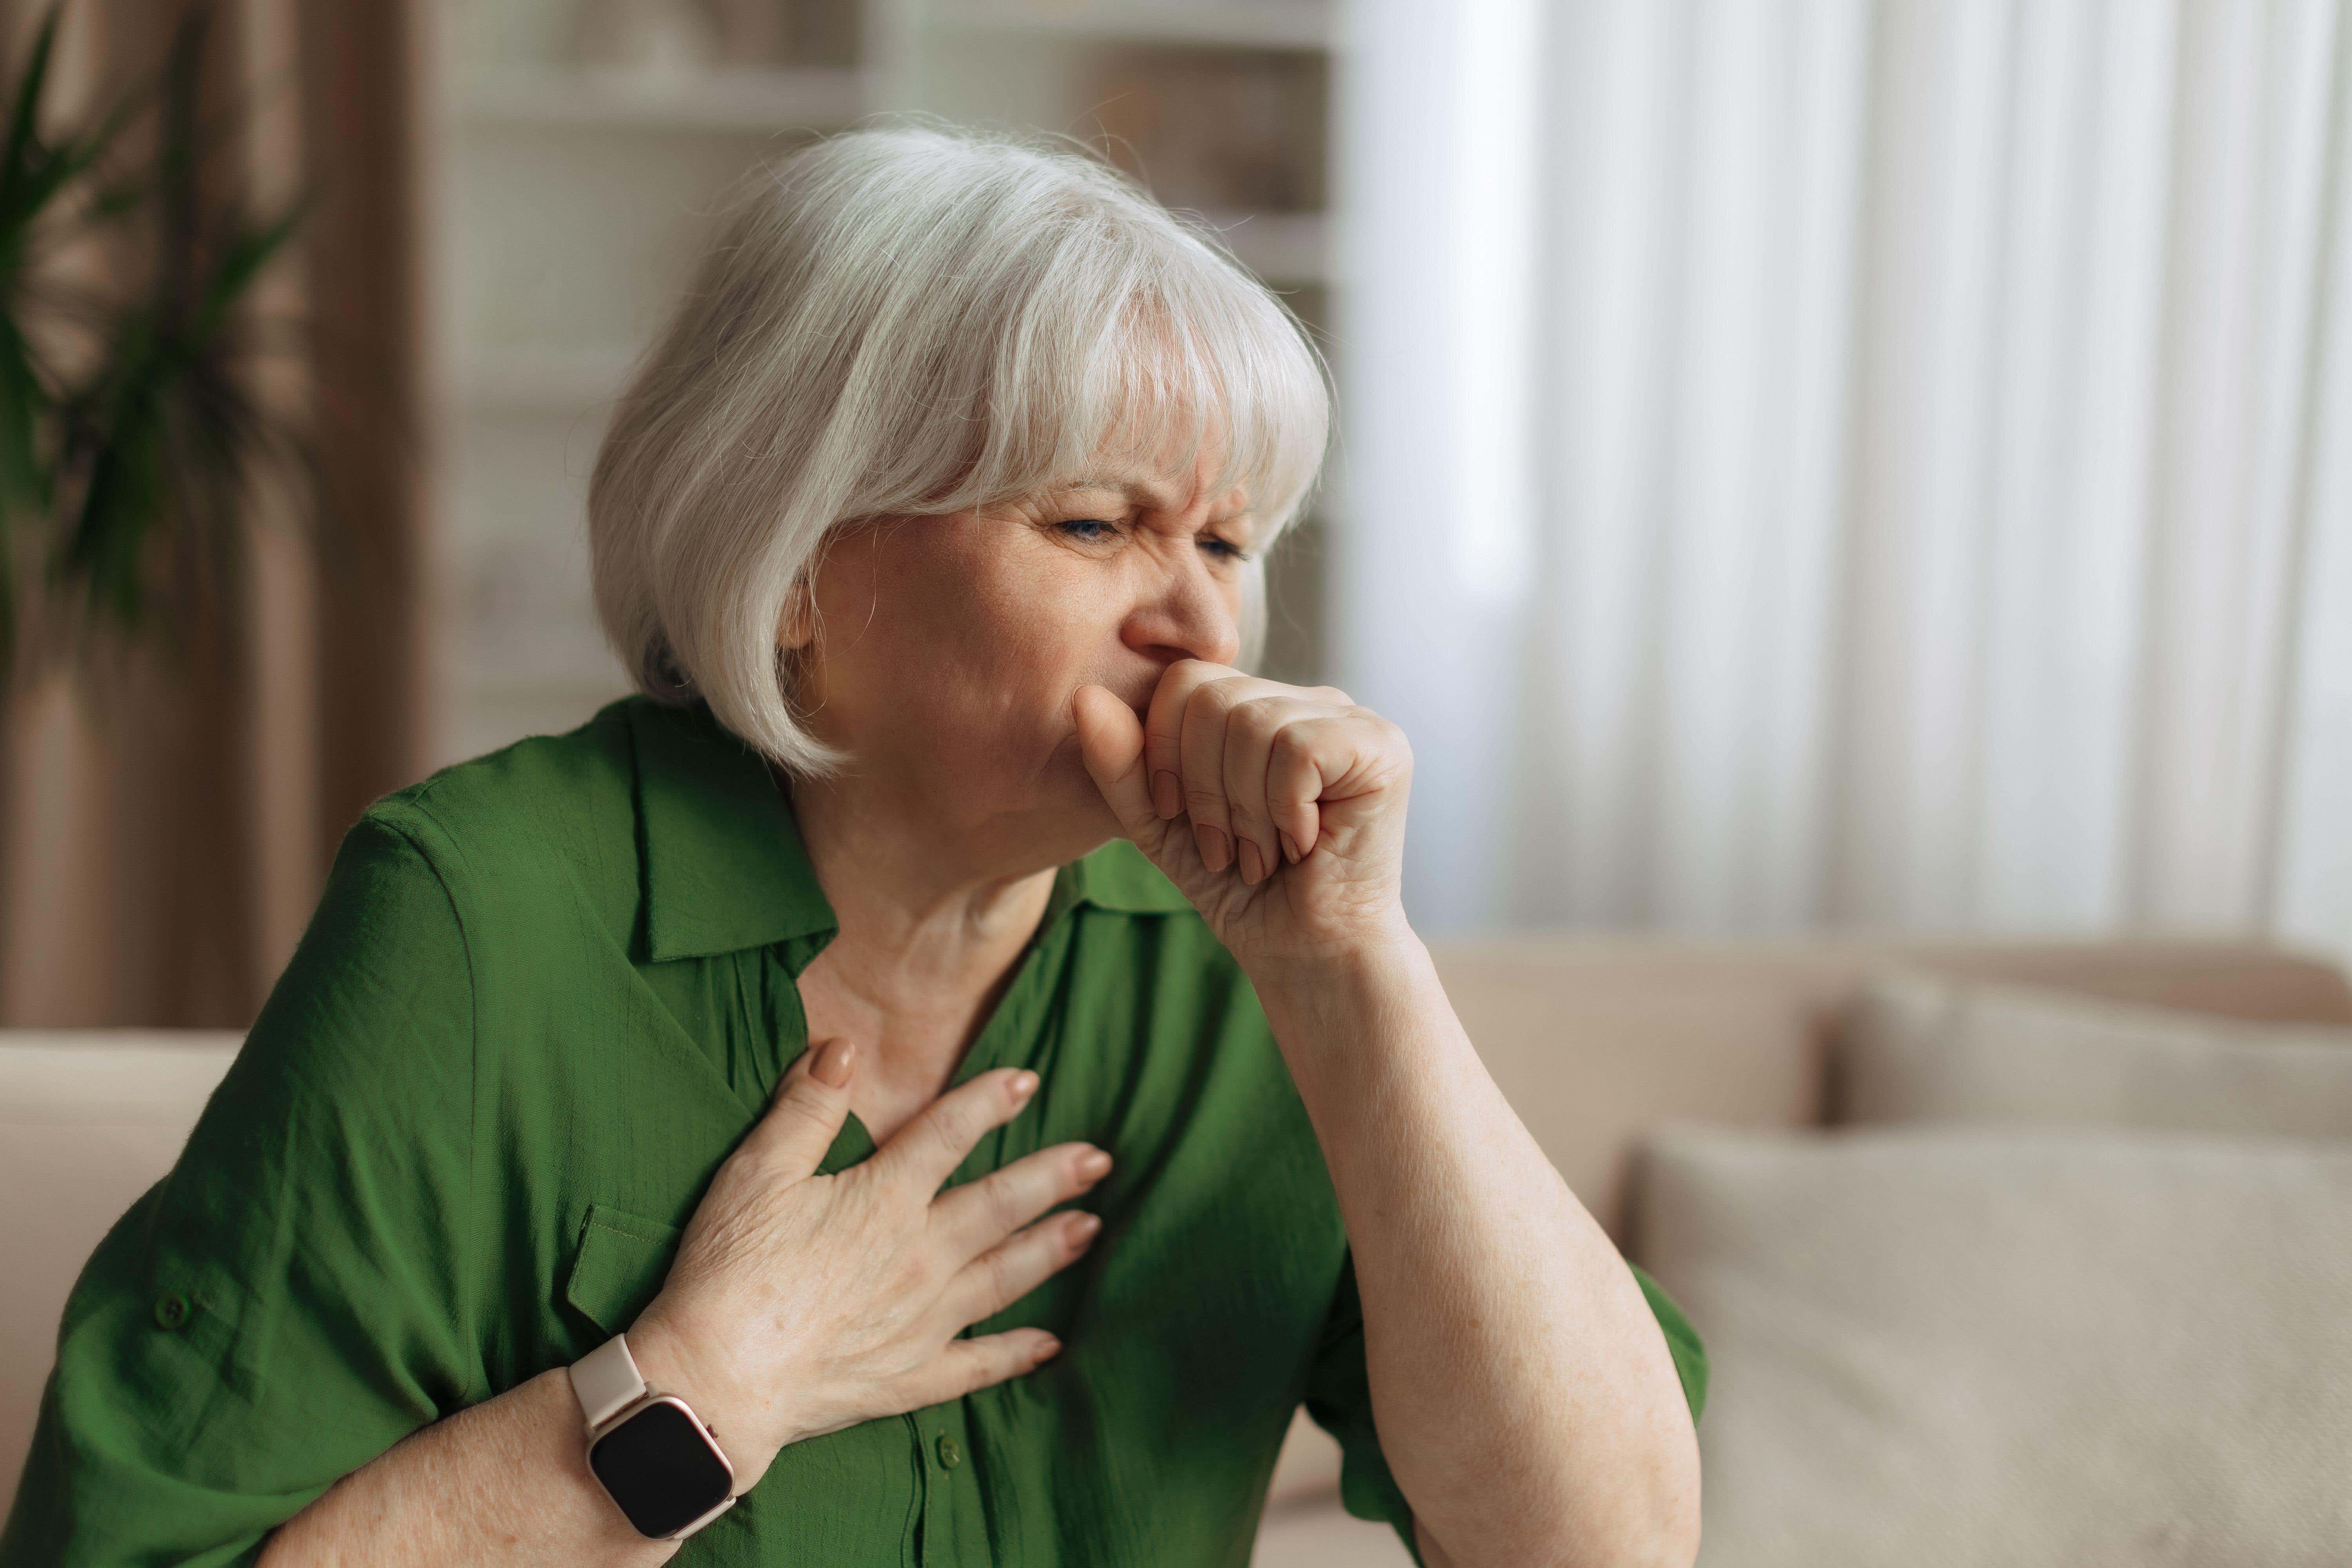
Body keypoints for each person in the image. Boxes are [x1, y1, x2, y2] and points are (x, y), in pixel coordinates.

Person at [0, 124, 1704, 1568]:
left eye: (1233, 539)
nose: (1201, 622)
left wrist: (1358, 971)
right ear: (800, 565)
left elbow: (1600, 1544)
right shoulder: (480, 917)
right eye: (1098, 522)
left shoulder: (1255, 952)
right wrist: (708, 1381)